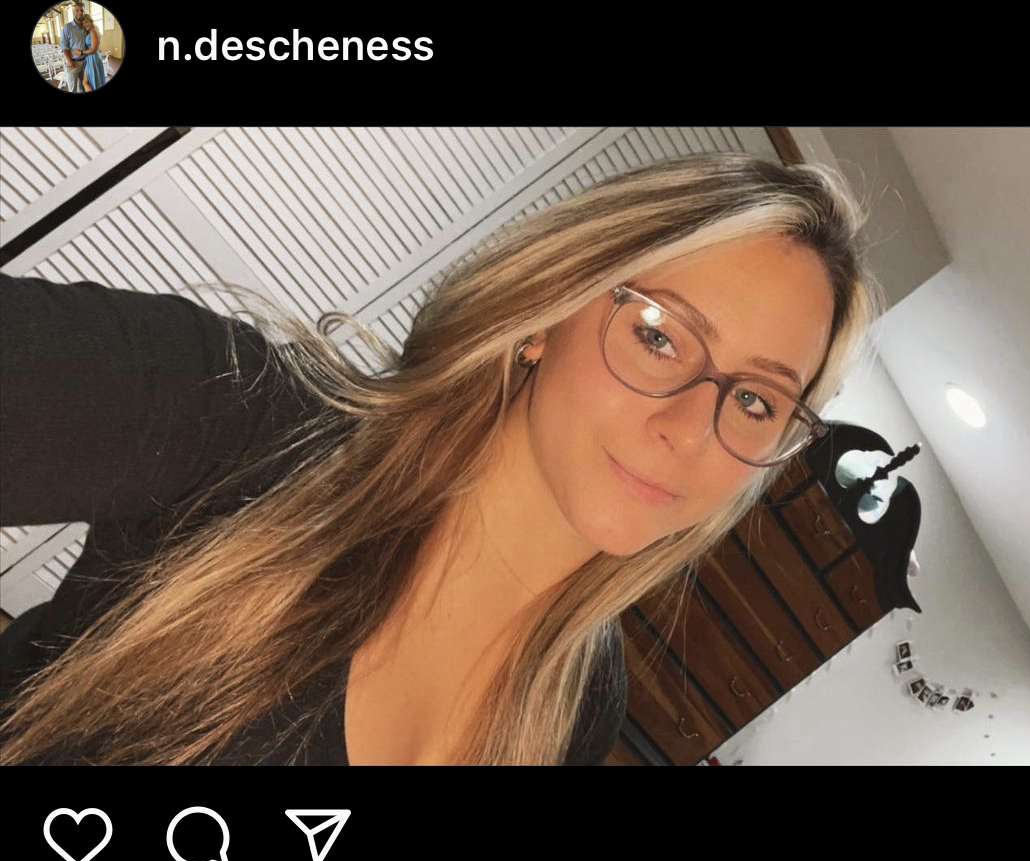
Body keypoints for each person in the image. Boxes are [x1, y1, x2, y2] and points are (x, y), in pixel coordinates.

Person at [0, 152, 882, 766]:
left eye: (757, 401)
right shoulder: (246, 422)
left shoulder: (579, 702)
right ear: (549, 310)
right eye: (659, 335)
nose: (691, 427)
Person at [56, 2, 88, 93]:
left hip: (85, 62)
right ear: (74, 12)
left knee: (82, 87)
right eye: (77, 10)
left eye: (81, 10)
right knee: (73, 88)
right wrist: (69, 60)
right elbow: (64, 46)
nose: (80, 13)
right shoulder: (67, 27)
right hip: (73, 63)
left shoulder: (85, 27)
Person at [75, 13, 106, 92]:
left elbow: (93, 49)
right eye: (83, 23)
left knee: (85, 82)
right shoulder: (91, 31)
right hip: (91, 57)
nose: (85, 25)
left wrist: (80, 52)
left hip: (93, 58)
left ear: (91, 21)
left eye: (86, 22)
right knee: (90, 81)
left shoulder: (93, 31)